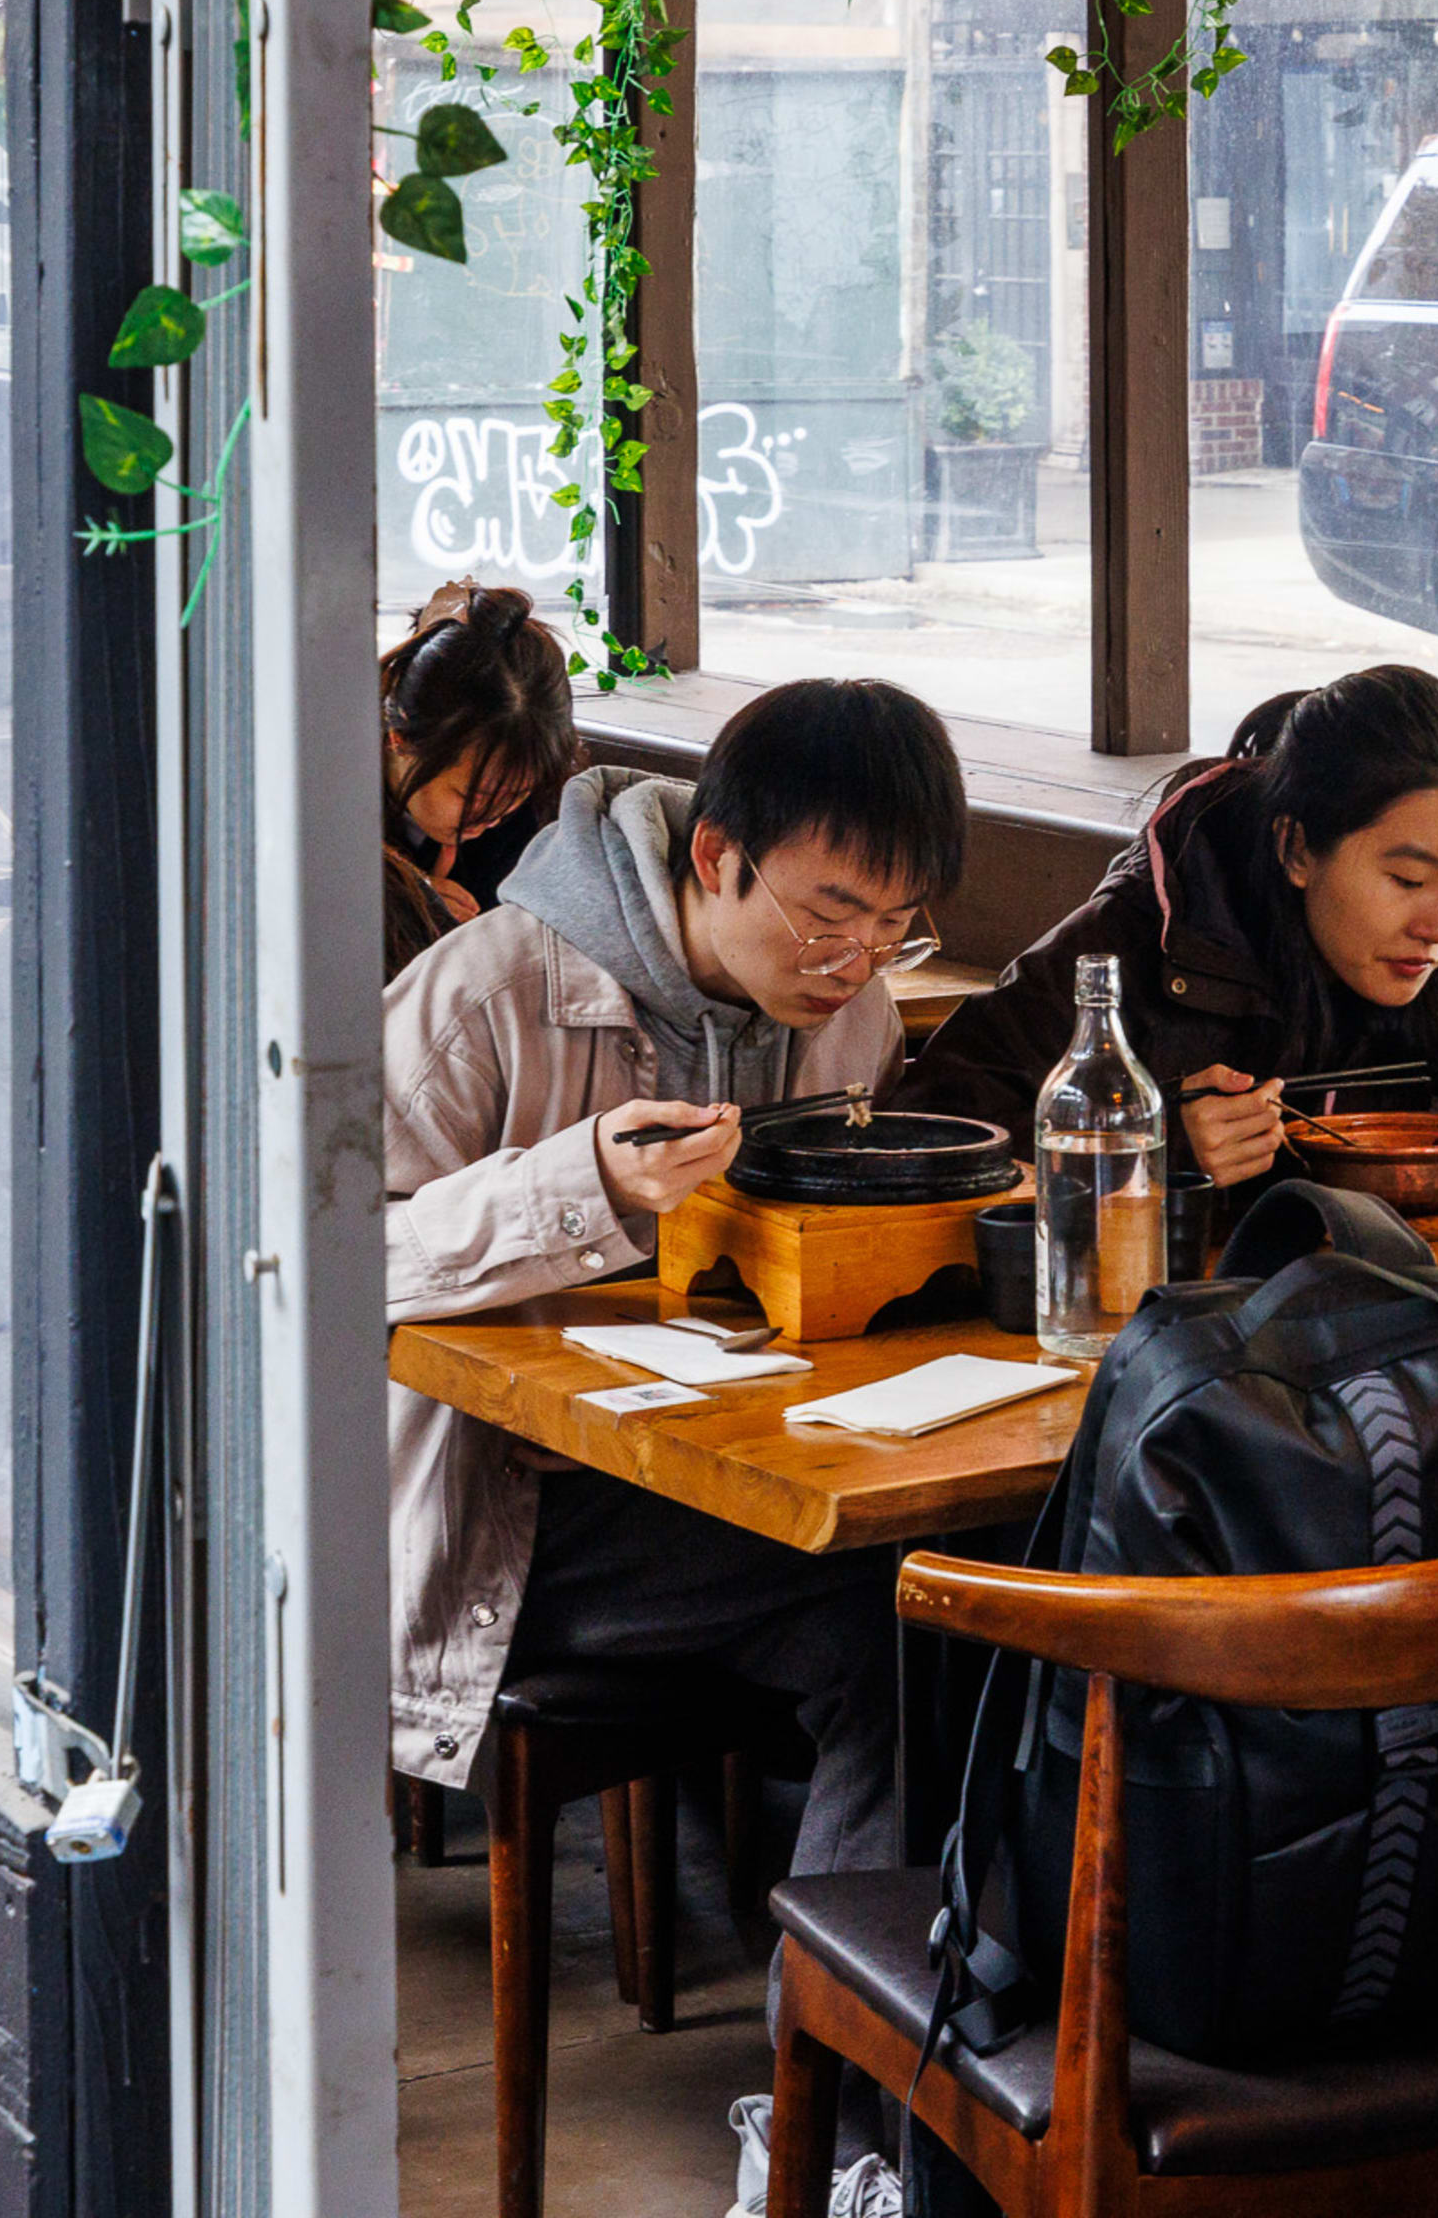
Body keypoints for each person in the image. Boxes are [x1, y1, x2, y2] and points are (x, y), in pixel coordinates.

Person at [382, 679, 965, 2208]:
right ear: (715, 857)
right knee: (891, 1621)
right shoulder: (490, 990)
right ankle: (832, 2131)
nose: (854, 966)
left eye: (893, 929)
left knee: (947, 1604)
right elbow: (313, 1255)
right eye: (831, 915)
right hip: (502, 1524)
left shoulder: (849, 1011)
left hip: (719, 1488)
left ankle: (857, 2129)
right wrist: (574, 1183)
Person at [898, 665, 1438, 1249]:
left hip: (1403, 1331)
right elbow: (930, 1125)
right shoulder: (1141, 942)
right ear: (1296, 848)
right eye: (1408, 877)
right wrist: (1151, 1147)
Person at [380, 579, 580, 979]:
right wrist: (404, 902)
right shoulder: (323, 793)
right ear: (400, 740)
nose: (495, 814)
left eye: (517, 793)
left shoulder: (533, 817)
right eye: (476, 794)